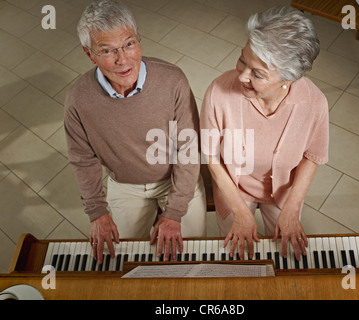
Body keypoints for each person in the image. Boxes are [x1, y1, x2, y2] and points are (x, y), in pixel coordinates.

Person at [65, 0, 206, 263]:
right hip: (124, 185)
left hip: (174, 178)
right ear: (89, 54)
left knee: (190, 256)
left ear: (138, 36)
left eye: (129, 44)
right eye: (107, 50)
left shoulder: (173, 79)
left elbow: (188, 150)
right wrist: (97, 212)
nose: (123, 60)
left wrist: (174, 212)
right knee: (120, 259)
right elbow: (82, 159)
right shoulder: (78, 98)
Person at [200, 7, 329, 261]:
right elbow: (212, 158)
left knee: (284, 255)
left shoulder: (315, 103)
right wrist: (240, 211)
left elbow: (311, 156)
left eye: (257, 74)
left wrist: (292, 206)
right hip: (234, 189)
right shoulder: (218, 92)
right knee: (236, 254)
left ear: (289, 78)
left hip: (283, 193)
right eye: (242, 60)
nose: (242, 76)